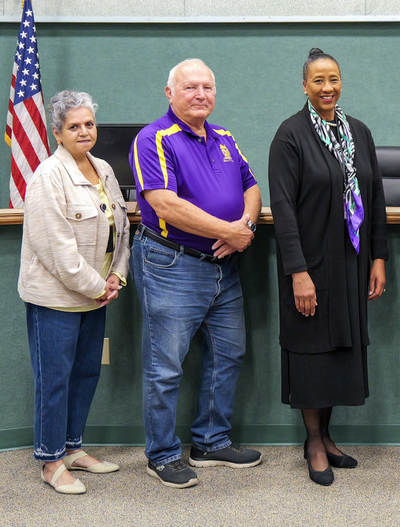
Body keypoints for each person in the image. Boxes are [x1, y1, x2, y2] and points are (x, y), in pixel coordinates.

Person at [129, 58, 263, 488]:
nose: (200, 94)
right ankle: (162, 455)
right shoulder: (153, 139)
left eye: (207, 87)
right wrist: (230, 231)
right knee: (165, 366)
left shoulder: (224, 137)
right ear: (170, 93)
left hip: (224, 268)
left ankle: (210, 441)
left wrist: (246, 227)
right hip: (172, 265)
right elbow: (164, 203)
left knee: (228, 355)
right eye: (190, 87)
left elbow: (251, 187)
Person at [268, 48, 388, 486]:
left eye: (333, 79)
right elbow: (282, 210)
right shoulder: (290, 135)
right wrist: (298, 273)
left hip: (352, 265)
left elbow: (373, 198)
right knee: (310, 353)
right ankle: (313, 441)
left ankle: (327, 434)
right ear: (304, 86)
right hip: (312, 267)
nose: (327, 88)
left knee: (339, 351)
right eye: (318, 80)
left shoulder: (358, 132)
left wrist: (378, 257)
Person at [18, 90, 130, 495]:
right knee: (55, 379)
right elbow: (56, 249)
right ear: (57, 133)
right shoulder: (48, 176)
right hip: (57, 298)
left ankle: (72, 449)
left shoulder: (103, 168)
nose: (84, 132)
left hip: (97, 294)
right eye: (74, 126)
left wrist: (117, 274)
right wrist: (99, 286)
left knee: (85, 373)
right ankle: (50, 461)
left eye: (89, 124)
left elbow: (122, 227)